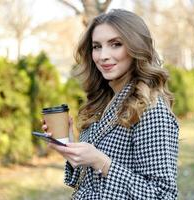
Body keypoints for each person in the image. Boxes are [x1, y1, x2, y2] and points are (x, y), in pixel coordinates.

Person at [42, 9, 179, 200]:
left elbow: (163, 195)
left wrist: (102, 162)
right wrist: (72, 150)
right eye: (97, 46)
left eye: (115, 44)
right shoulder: (103, 102)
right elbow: (91, 182)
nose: (103, 55)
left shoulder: (150, 110)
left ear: (136, 48)